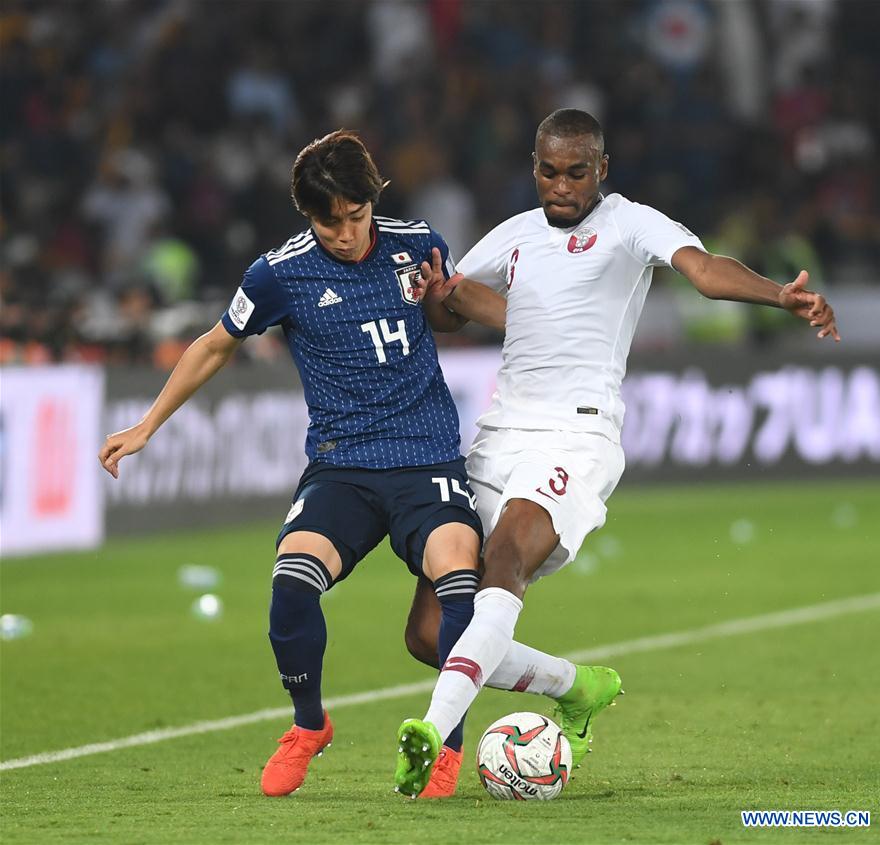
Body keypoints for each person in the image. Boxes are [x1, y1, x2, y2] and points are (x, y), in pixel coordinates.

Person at [98, 130, 619, 800]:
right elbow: (213, 345)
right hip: (341, 467)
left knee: (458, 586)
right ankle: (308, 724)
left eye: (355, 215)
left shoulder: (416, 241)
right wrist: (146, 424)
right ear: (306, 216)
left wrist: (496, 313)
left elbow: (450, 309)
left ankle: (447, 747)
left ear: (371, 202)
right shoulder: (278, 273)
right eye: (329, 222)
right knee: (291, 583)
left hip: (427, 463)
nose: (345, 234)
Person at [394, 108, 839, 796]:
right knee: (427, 632)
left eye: (577, 171)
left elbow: (704, 269)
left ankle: (432, 729)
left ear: (601, 170)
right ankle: (578, 686)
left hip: (578, 432)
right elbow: (451, 304)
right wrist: (438, 296)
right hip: (498, 435)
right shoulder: (513, 236)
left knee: (505, 556)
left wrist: (778, 295)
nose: (562, 185)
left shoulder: (629, 223)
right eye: (549, 170)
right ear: (533, 167)